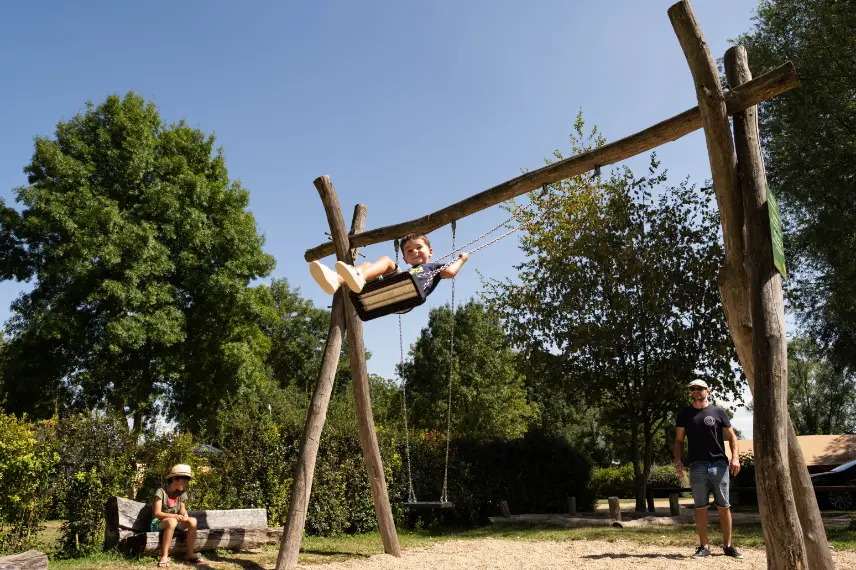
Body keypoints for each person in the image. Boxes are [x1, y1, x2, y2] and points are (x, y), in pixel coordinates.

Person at [674, 379, 743, 560]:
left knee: (724, 507)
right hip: (697, 466)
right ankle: (704, 546)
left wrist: (735, 458)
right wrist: (678, 461)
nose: (696, 391)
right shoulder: (684, 414)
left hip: (719, 465)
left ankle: (728, 546)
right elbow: (679, 440)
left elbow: (732, 436)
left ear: (708, 391)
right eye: (693, 389)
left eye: (699, 388)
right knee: (700, 508)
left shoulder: (718, 412)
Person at [309, 233, 468, 297]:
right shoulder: (409, 270)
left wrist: (461, 259)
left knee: (386, 260)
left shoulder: (434, 267)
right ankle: (336, 280)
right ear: (405, 259)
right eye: (409, 251)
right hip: (396, 286)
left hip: (411, 292)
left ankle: (358, 277)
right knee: (366, 264)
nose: (414, 252)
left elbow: (449, 273)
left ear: (430, 251)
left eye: (419, 248)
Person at [151, 464, 205, 567]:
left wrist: (185, 516)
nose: (185, 483)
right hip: (158, 522)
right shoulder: (161, 492)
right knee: (172, 521)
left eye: (187, 480)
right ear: (174, 479)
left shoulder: (182, 493)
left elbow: (182, 510)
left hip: (174, 521)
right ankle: (164, 555)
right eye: (183, 480)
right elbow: (157, 513)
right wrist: (173, 516)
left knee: (192, 521)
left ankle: (189, 554)